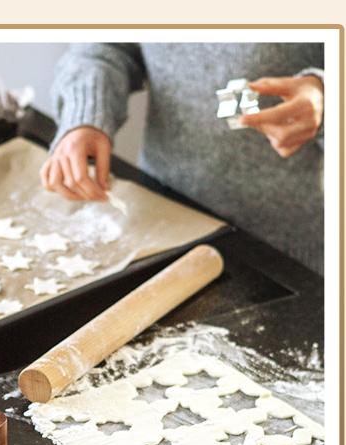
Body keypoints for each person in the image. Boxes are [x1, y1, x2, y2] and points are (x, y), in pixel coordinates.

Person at [41, 44, 324, 274]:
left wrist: (328, 96)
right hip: (162, 218)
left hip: (289, 245)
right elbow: (105, 45)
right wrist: (85, 116)